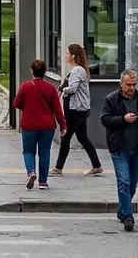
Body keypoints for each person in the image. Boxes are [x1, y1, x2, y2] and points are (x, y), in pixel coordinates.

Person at [101, 69, 138, 232]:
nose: (132, 88)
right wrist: (123, 119)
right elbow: (105, 119)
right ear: (121, 83)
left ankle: (122, 210)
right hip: (119, 148)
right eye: (128, 84)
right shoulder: (111, 99)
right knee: (124, 182)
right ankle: (128, 217)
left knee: (132, 185)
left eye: (134, 84)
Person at [13, 59, 67, 190]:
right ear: (44, 72)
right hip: (47, 126)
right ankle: (43, 181)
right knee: (45, 153)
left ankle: (31, 172)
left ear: (32, 71)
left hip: (29, 124)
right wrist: (63, 125)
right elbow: (57, 109)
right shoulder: (51, 88)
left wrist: (27, 106)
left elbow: (16, 103)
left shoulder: (25, 86)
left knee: (28, 151)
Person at [51, 43, 103, 176]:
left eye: (67, 53)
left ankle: (58, 167)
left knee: (65, 136)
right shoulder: (76, 70)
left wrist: (63, 89)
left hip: (76, 109)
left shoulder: (77, 71)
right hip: (79, 108)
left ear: (73, 56)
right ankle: (96, 165)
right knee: (82, 137)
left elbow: (73, 89)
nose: (65, 56)